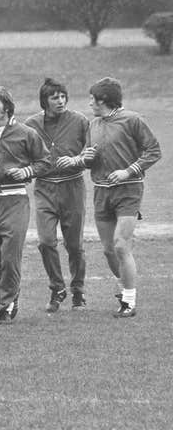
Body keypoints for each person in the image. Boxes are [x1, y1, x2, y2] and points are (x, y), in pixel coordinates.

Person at [61, 77, 161, 317]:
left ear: (103, 100)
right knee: (108, 250)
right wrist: (81, 159)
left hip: (129, 190)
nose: (89, 103)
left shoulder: (133, 120)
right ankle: (124, 285)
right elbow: (89, 159)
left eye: (92, 99)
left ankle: (129, 301)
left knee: (120, 245)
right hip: (101, 191)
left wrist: (128, 171)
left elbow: (154, 151)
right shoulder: (93, 125)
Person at [0, 86, 51, 324]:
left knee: (10, 254)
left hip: (15, 199)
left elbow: (46, 162)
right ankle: (13, 290)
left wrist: (27, 171)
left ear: (6, 107)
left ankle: (6, 303)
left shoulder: (26, 133)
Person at [24, 78, 90, 312]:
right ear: (45, 101)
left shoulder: (80, 121)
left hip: (72, 187)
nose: (60, 101)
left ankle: (78, 291)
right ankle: (57, 287)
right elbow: (22, 152)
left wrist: (78, 159)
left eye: (63, 96)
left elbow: (92, 151)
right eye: (54, 97)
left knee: (74, 245)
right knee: (45, 241)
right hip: (44, 188)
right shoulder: (31, 124)